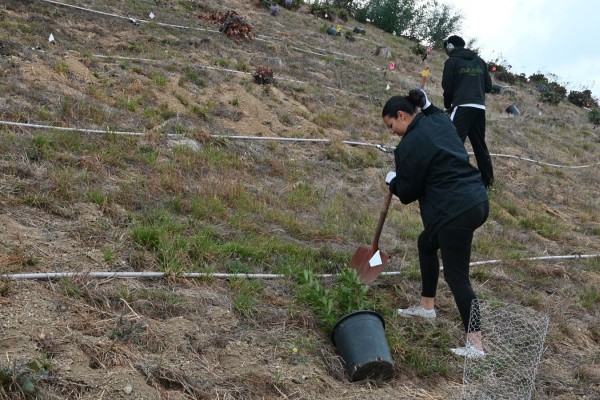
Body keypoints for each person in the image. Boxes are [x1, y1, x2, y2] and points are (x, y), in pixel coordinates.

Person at [382, 89, 489, 357]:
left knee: (457, 277)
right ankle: (426, 307)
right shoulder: (439, 122)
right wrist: (427, 102)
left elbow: (407, 193)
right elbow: (434, 112)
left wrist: (392, 181)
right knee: (426, 243)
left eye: (391, 125)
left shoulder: (408, 146)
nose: (392, 131)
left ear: (402, 115)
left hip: (455, 211)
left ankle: (476, 345)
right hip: (476, 200)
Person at [442, 35, 494, 189]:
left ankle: (449, 176)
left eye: (446, 47)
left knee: (453, 142)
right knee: (479, 144)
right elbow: (488, 86)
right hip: (479, 107)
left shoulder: (452, 61)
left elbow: (447, 87)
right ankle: (487, 180)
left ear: (450, 47)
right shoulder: (480, 62)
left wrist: (447, 105)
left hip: (462, 106)